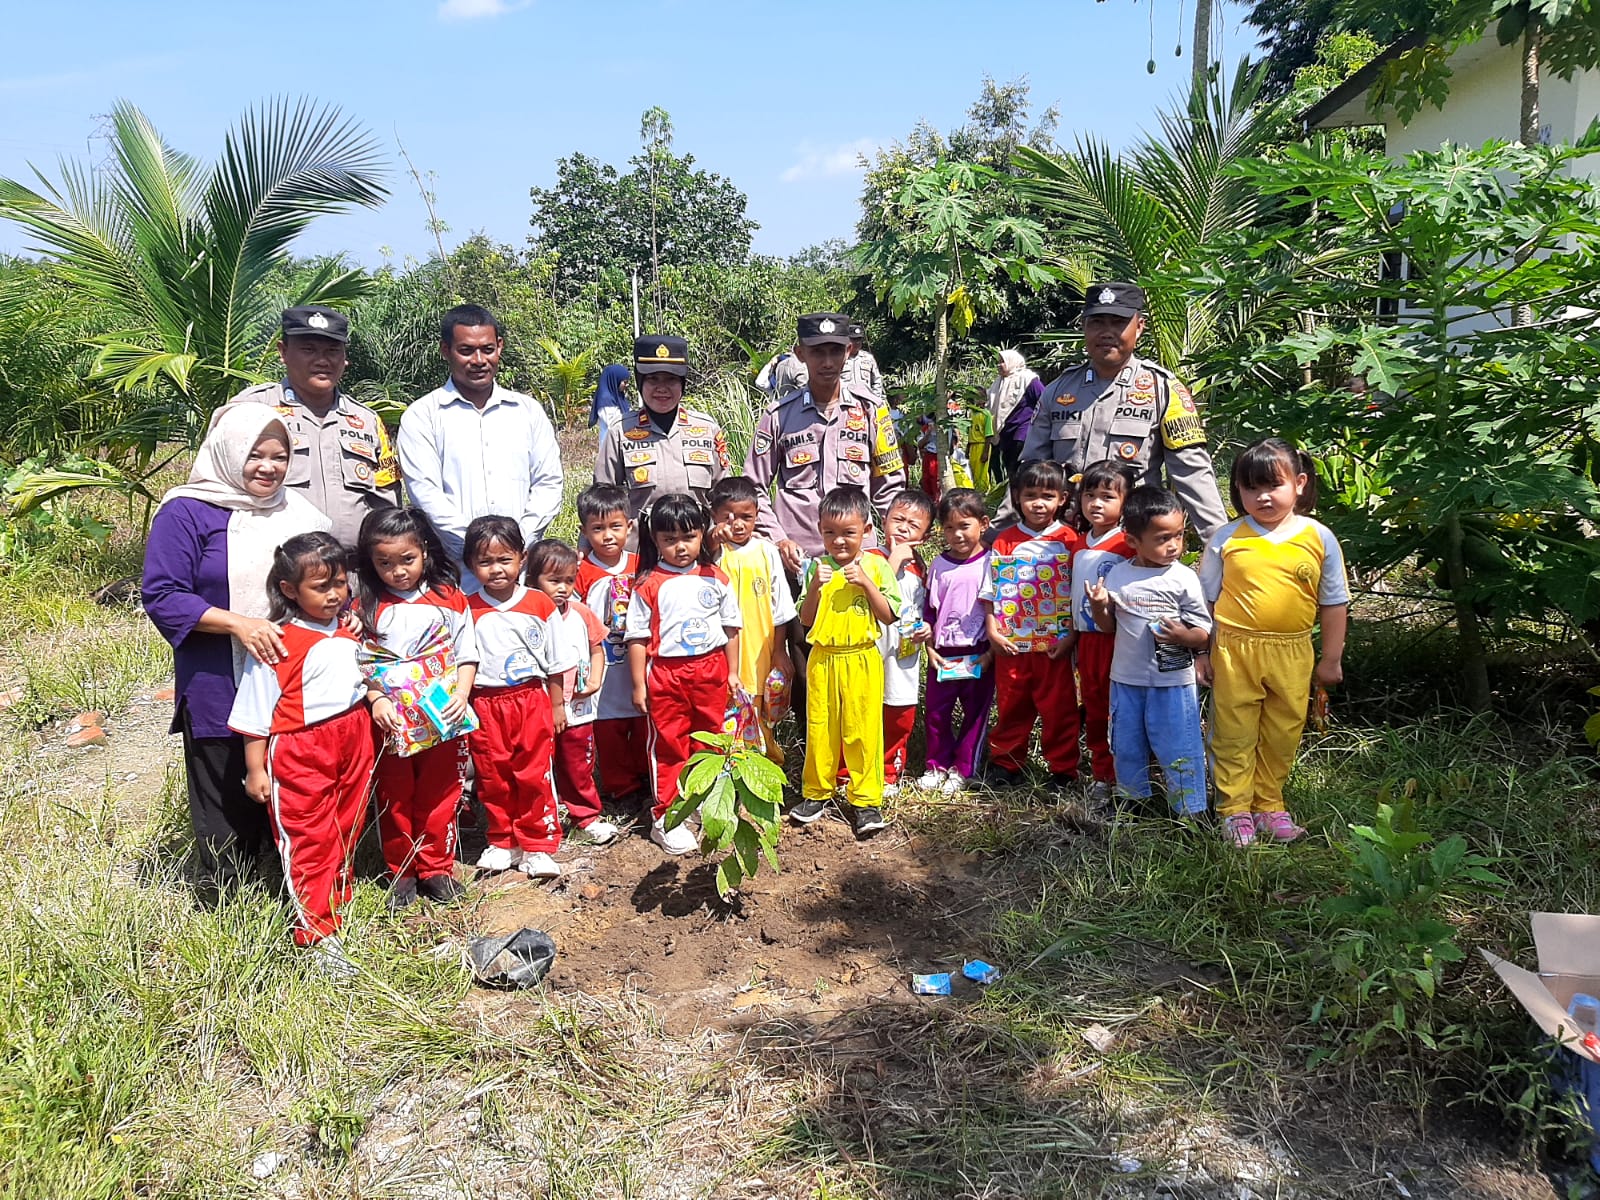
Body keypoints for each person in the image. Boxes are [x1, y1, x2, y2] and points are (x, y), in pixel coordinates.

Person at [142, 403, 333, 895]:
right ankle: (230, 901)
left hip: (292, 675)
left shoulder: (300, 512)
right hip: (217, 674)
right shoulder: (186, 511)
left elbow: (329, 581)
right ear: (228, 453)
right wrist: (237, 625)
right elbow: (163, 593)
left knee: (288, 781)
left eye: (279, 456)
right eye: (255, 455)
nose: (268, 467)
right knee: (225, 789)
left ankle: (295, 882)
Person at [228, 532, 383, 974]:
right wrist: (255, 768)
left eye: (340, 582)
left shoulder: (348, 626)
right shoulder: (277, 643)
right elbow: (256, 712)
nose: (334, 594)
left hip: (354, 735)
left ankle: (337, 900)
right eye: (321, 586)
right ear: (289, 590)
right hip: (301, 747)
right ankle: (317, 933)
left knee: (346, 825)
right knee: (308, 836)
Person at [1198, 439, 1349, 848]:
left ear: (1299, 483)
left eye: (1273, 485)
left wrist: (1331, 659)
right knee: (1232, 731)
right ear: (1238, 491)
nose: (1262, 496)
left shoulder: (1318, 537)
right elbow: (1204, 602)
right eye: (1251, 488)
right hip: (1234, 650)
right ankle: (1233, 810)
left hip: (1293, 652)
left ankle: (1269, 806)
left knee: (1283, 731)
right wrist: (1201, 653)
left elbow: (1334, 603)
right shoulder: (1226, 538)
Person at [1021, 282, 1228, 543]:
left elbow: (1193, 475)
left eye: (1118, 322)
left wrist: (1222, 544)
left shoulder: (1163, 389)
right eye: (1097, 322)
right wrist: (997, 536)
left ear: (1139, 326)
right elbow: (1029, 475)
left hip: (1135, 544)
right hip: (1065, 544)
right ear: (1084, 326)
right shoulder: (1057, 391)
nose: (1107, 332)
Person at [354, 507, 479, 909]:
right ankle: (402, 871)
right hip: (393, 723)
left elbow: (467, 653)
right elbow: (361, 664)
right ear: (371, 562)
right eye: (384, 562)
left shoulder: (448, 598)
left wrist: (461, 694)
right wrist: (376, 700)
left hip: (442, 718)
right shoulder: (365, 607)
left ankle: (437, 867)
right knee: (395, 795)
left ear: (424, 550)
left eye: (407, 559)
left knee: (441, 792)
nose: (397, 571)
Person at [398, 304, 565, 575]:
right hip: (455, 572)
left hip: (523, 570)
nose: (478, 360)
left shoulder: (528, 411)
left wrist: (516, 543)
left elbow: (548, 483)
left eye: (487, 349)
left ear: (499, 347)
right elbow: (425, 494)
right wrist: (477, 550)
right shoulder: (422, 416)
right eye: (466, 350)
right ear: (445, 350)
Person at [625, 493, 742, 856]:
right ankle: (668, 815)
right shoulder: (648, 584)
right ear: (655, 539)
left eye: (688, 537)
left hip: (711, 671)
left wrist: (733, 673)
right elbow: (638, 638)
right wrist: (639, 684)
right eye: (669, 539)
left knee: (711, 740)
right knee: (670, 744)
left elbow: (732, 628)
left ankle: (710, 804)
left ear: (702, 534)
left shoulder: (716, 578)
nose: (680, 547)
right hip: (666, 675)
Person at [226, 306, 399, 548]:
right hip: (275, 572)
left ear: (344, 357)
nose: (322, 361)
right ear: (283, 351)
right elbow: (221, 491)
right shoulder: (252, 409)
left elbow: (387, 502)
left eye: (332, 351)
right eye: (308, 350)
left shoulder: (367, 421)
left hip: (353, 576)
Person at [745, 313, 907, 572]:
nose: (828, 362)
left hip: (859, 559)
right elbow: (753, 487)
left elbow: (890, 485)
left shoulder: (871, 411)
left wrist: (897, 541)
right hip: (798, 559)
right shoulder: (778, 416)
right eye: (818, 352)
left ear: (849, 351)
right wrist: (778, 539)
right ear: (800, 353)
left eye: (836, 351)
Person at [1088, 486, 1213, 819]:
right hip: (1126, 679)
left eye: (1178, 536)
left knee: (1180, 745)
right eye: (1161, 539)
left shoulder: (1184, 578)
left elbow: (1204, 633)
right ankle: (1133, 800)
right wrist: (1099, 607)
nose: (1173, 546)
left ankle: (1191, 809)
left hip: (1173, 681)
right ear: (1132, 541)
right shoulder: (1118, 575)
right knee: (1126, 745)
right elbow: (1107, 627)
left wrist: (1184, 635)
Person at [463, 516, 569, 880]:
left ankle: (538, 844)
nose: (496, 570)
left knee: (533, 772)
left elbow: (556, 662)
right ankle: (503, 840)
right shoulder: (467, 609)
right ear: (471, 565)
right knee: (493, 774)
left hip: (530, 699)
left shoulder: (539, 604)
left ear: (522, 559)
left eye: (504, 559)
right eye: (485, 562)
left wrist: (557, 705)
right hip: (485, 704)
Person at [793, 487, 901, 837]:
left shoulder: (876, 565)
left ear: (866, 531)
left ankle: (866, 802)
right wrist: (814, 589)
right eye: (830, 533)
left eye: (848, 533)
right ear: (820, 531)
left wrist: (867, 584)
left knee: (862, 730)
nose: (839, 542)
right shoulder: (817, 567)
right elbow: (806, 620)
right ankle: (816, 792)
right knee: (820, 728)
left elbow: (889, 616)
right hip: (823, 660)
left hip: (862, 659)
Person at [981, 461, 1085, 792]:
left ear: (1063, 499)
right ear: (1016, 497)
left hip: (1054, 646)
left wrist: (1070, 636)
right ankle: (1006, 764)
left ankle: (1064, 770)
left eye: (1047, 496)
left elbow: (1079, 593)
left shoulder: (1071, 542)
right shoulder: (1005, 541)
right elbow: (990, 592)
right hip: (1012, 644)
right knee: (1011, 703)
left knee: (1060, 707)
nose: (1038, 504)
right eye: (1030, 496)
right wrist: (992, 630)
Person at [527, 539, 618, 848]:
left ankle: (586, 818)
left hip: (578, 707)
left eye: (568, 580)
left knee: (578, 764)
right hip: (540, 708)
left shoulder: (580, 612)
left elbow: (597, 648)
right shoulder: (528, 614)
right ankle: (544, 821)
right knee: (540, 768)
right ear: (532, 579)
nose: (562, 588)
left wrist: (594, 678)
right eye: (553, 581)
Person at [595, 335, 731, 536]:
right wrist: (588, 547)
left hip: (697, 553)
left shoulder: (707, 429)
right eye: (652, 379)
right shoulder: (620, 431)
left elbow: (725, 495)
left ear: (683, 383)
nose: (662, 388)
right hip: (640, 554)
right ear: (640, 382)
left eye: (671, 379)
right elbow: (601, 499)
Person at [709, 477, 797, 763]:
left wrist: (777, 651)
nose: (737, 524)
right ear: (715, 517)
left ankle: (762, 777)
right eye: (728, 517)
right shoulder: (713, 554)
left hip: (759, 652)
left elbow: (781, 607)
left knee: (759, 717)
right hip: (722, 655)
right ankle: (728, 777)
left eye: (746, 517)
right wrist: (712, 538)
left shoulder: (767, 552)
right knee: (727, 717)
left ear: (757, 516)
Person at [574, 485, 649, 808]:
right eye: (598, 528)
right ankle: (622, 788)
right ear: (584, 531)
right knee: (610, 729)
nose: (607, 536)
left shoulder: (641, 564)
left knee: (643, 721)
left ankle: (648, 778)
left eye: (615, 527)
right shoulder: (579, 572)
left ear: (629, 526)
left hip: (639, 663)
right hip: (603, 666)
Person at [1070, 460, 1139, 813]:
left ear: (1125, 503)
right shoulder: (1077, 544)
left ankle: (1131, 777)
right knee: (1094, 707)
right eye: (1090, 495)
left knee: (1122, 710)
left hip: (1120, 642)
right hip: (1087, 642)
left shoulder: (1128, 546)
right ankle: (1102, 775)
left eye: (1107, 497)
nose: (1096, 503)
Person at [917, 489, 996, 795]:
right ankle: (936, 765)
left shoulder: (993, 562)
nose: (957, 534)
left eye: (965, 525)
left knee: (975, 713)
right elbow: (930, 609)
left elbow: (1002, 609)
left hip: (979, 652)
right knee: (937, 712)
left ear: (983, 523)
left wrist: (991, 653)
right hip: (944, 654)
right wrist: (930, 647)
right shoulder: (939, 564)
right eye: (949, 528)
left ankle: (963, 768)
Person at [871, 491, 935, 795]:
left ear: (926, 534)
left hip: (903, 653)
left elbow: (926, 608)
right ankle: (849, 772)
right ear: (884, 520)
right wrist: (894, 561)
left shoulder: (922, 568)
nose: (903, 528)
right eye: (898, 519)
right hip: (869, 650)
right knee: (861, 710)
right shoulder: (869, 557)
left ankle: (888, 772)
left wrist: (926, 628)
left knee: (898, 711)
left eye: (913, 524)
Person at [988, 349, 1042, 485]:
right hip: (1006, 433)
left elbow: (1044, 399)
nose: (999, 365)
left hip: (1023, 430)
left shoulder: (1027, 379)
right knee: (1009, 467)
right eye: (998, 362)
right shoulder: (998, 383)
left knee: (1019, 465)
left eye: (1002, 362)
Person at [590, 364, 632, 451]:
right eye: (624, 382)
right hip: (610, 447)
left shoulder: (618, 396)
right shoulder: (605, 400)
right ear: (615, 381)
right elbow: (614, 424)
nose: (627, 385)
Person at [841, 321, 884, 400]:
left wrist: (875, 399)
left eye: (859, 339)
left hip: (866, 401)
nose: (857, 342)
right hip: (846, 401)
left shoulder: (868, 358)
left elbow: (877, 381)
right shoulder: (840, 358)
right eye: (854, 339)